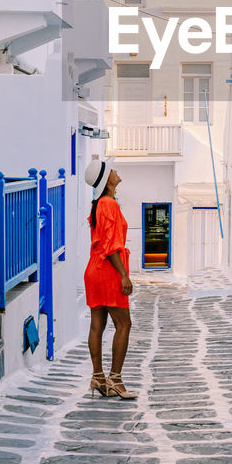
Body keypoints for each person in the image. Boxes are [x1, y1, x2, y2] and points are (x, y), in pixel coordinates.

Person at [83, 156, 136, 400]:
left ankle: (98, 377)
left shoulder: (99, 204)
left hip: (94, 270)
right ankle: (115, 379)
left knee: (97, 324)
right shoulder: (109, 204)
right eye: (112, 170)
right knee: (123, 324)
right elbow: (112, 246)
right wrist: (124, 275)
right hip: (109, 270)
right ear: (107, 181)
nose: (116, 171)